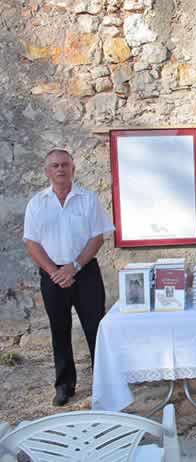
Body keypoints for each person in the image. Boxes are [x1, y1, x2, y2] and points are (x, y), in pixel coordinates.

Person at [23, 149, 115, 406]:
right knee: (59, 330)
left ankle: (104, 385)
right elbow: (31, 243)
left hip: (84, 272)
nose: (60, 169)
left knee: (96, 329)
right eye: (54, 165)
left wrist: (73, 267)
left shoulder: (88, 199)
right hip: (52, 275)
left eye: (65, 165)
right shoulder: (37, 203)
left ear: (73, 169)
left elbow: (97, 237)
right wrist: (55, 272)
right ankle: (64, 386)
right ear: (47, 171)